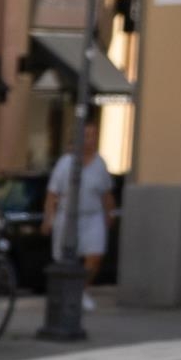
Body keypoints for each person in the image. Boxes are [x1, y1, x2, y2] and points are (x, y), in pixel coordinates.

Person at [46, 114, 113, 303]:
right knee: (65, 258)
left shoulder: (100, 164)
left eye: (93, 135)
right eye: (86, 135)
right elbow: (52, 193)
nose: (90, 139)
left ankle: (81, 289)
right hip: (67, 217)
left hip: (93, 217)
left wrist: (108, 214)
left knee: (95, 255)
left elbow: (106, 193)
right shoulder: (65, 163)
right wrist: (48, 218)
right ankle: (65, 295)